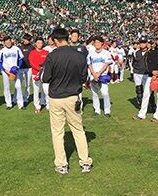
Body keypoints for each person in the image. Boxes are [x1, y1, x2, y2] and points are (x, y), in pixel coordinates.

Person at [42, 27, 93, 175]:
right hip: (72, 96)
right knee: (78, 129)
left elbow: (46, 78)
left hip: (56, 97)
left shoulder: (52, 56)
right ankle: (85, 162)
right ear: (68, 38)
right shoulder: (79, 55)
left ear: (56, 40)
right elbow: (84, 78)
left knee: (57, 132)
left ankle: (61, 164)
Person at [133, 31, 158, 122]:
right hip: (150, 75)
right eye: (156, 39)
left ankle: (157, 115)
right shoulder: (151, 50)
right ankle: (142, 114)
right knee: (146, 94)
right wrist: (151, 71)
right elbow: (146, 61)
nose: (157, 41)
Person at [87, 36, 113, 117]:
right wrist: (94, 74)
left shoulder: (106, 52)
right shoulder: (90, 53)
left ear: (102, 43)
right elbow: (89, 64)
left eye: (98, 42)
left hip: (102, 75)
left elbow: (106, 64)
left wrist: (98, 74)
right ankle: (97, 110)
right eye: (95, 42)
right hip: (93, 75)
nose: (97, 44)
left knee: (105, 93)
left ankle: (107, 110)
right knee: (94, 93)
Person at [0, 36, 24, 110]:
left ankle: (20, 104)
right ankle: (9, 104)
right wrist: (4, 70)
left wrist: (18, 67)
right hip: (6, 71)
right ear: (4, 43)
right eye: (6, 42)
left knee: (18, 86)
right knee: (6, 88)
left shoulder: (17, 49)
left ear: (11, 41)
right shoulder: (2, 51)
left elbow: (21, 59)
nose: (8, 43)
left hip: (15, 71)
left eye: (9, 41)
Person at [29, 37, 49, 113]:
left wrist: (43, 69)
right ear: (35, 44)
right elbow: (32, 63)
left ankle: (46, 104)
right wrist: (39, 69)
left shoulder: (46, 52)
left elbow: (48, 62)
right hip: (35, 74)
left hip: (44, 74)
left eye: (41, 43)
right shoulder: (32, 53)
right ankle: (37, 106)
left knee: (45, 90)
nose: (40, 44)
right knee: (36, 90)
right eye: (38, 43)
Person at [132, 37, 149, 107]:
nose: (142, 44)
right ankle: (140, 103)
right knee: (139, 89)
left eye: (144, 43)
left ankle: (151, 104)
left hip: (146, 73)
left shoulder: (150, 52)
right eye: (141, 43)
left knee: (147, 90)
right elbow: (133, 63)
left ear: (147, 43)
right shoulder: (135, 52)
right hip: (137, 73)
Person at [17, 33, 33, 105]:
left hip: (29, 68)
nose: (26, 41)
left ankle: (26, 98)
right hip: (20, 68)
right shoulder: (19, 47)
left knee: (27, 84)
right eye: (25, 39)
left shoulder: (32, 47)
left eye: (27, 40)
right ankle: (17, 98)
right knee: (18, 84)